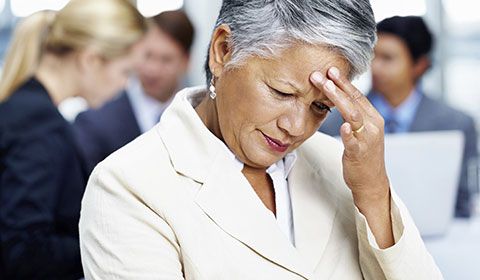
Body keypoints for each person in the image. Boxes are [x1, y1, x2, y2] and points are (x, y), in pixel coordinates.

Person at [80, 1, 442, 279]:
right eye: (281, 92)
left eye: (320, 106)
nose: (296, 126)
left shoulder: (341, 165)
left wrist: (375, 193)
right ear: (223, 51)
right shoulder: (127, 186)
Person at [0, 1, 147, 278]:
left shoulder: (26, 112)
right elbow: (23, 251)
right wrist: (111, 245)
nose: (125, 85)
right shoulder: (38, 127)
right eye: (125, 72)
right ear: (90, 60)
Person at [320, 16, 478, 218]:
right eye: (373, 56)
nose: (375, 67)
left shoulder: (457, 124)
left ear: (419, 65)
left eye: (388, 58)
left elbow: (464, 202)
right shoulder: (332, 122)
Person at [73, 10, 195, 175]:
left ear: (186, 62)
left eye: (166, 59)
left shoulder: (200, 122)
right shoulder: (95, 123)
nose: (153, 69)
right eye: (147, 56)